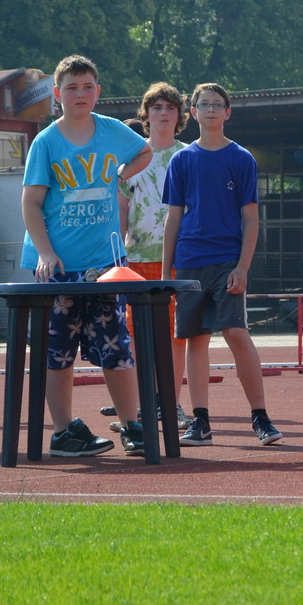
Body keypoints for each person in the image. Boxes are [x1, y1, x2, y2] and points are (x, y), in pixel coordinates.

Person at [21, 54, 152, 458]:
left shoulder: (112, 130)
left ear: (98, 92)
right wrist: (44, 251)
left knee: (117, 347)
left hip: (105, 265)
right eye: (72, 87)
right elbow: (30, 201)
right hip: (59, 265)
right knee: (58, 351)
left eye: (88, 87)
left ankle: (132, 425)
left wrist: (120, 175)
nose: (80, 94)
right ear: (57, 93)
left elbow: (144, 152)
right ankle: (63, 432)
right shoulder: (46, 141)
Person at [161, 82, 282, 446]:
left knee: (235, 333)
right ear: (193, 113)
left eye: (217, 104)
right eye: (204, 104)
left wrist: (242, 267)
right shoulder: (181, 160)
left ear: (228, 112)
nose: (211, 109)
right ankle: (200, 422)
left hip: (227, 260)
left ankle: (261, 417)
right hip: (189, 262)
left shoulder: (241, 158)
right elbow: (173, 219)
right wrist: (166, 275)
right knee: (195, 339)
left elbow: (251, 218)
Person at [117, 82, 190, 427]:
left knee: (176, 335)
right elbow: (120, 208)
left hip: (177, 260)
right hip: (135, 260)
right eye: (157, 107)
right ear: (145, 114)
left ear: (180, 116)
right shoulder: (131, 159)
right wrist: (118, 256)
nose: (163, 113)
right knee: (134, 337)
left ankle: (171, 403)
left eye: (170, 108)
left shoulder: (188, 155)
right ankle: (141, 405)